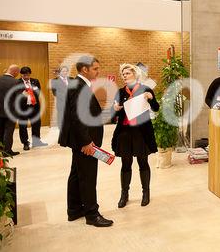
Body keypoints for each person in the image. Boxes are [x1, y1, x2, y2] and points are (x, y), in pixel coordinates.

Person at [58, 56, 113, 227]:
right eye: (95, 68)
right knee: (88, 177)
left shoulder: (80, 85)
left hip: (81, 141)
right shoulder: (79, 87)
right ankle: (92, 214)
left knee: (77, 174)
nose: (98, 71)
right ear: (84, 70)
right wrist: (86, 142)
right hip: (85, 142)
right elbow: (77, 117)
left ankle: (74, 210)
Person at [111, 64, 159, 208]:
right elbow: (114, 115)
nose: (124, 76)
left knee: (143, 162)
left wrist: (151, 99)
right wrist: (115, 109)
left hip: (141, 132)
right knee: (126, 164)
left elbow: (156, 108)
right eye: (123, 74)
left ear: (134, 74)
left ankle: (146, 193)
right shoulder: (119, 92)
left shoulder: (146, 89)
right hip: (125, 132)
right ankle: (124, 194)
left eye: (127, 73)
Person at [17, 66, 47, 150]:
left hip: (35, 106)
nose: (26, 77)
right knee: (23, 126)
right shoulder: (17, 82)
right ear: (21, 75)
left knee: (36, 124)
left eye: (28, 75)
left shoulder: (35, 81)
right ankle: (25, 143)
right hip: (23, 108)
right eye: (24, 75)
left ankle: (36, 141)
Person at [0, 65, 20, 156]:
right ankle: (7, 151)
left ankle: (0, 150)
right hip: (11, 111)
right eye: (18, 72)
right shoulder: (16, 82)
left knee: (0, 130)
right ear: (14, 72)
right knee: (8, 131)